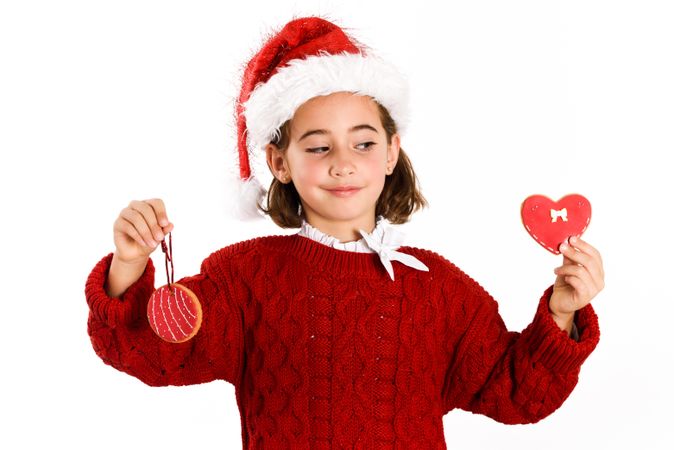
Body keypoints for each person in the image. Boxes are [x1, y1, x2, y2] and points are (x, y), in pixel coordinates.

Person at [84, 16, 604, 449]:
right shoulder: (244, 279)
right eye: (317, 146)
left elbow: (514, 393)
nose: (342, 165)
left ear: (391, 151)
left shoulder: (439, 289)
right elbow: (153, 355)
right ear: (278, 162)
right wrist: (129, 264)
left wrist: (562, 310)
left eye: (362, 143)